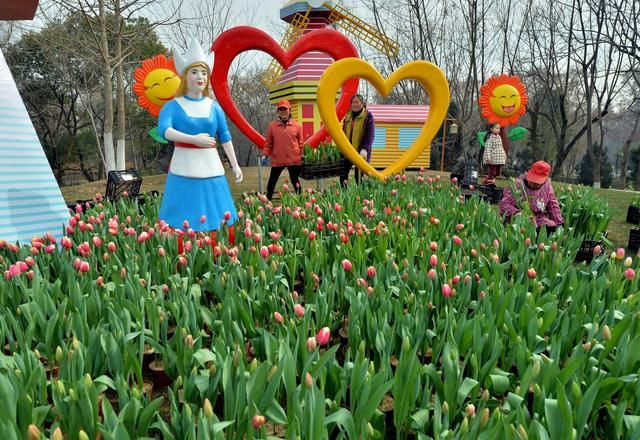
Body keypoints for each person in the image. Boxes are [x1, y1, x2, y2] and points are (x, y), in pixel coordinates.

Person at [157, 38, 243, 252]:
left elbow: (225, 136)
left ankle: (219, 247)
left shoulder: (214, 108)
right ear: (185, 76)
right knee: (182, 212)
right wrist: (193, 139)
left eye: (204, 73)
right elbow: (164, 130)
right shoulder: (172, 106)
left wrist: (235, 165)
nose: (200, 77)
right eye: (195, 72)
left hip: (212, 167)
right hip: (183, 166)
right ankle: (182, 250)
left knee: (218, 211)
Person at [500, 161, 564, 233]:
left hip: (538, 218)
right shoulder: (518, 185)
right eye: (531, 179)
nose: (532, 183)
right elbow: (504, 204)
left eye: (536, 183)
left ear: (544, 180)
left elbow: (553, 205)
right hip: (519, 218)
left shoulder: (547, 186)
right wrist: (519, 213)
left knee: (551, 226)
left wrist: (559, 223)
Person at [263, 99, 304, 200]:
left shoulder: (297, 126)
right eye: (280, 109)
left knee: (295, 180)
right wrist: (265, 154)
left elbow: (301, 143)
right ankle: (267, 201)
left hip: (293, 159)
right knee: (272, 181)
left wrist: (302, 155)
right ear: (278, 112)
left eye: (285, 109)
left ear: (289, 110)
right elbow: (268, 143)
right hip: (278, 159)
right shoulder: (272, 126)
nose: (283, 111)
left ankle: (301, 201)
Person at [340, 94, 375, 186]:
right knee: (343, 175)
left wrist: (365, 148)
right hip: (348, 151)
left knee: (358, 177)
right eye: (352, 102)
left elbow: (370, 134)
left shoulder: (368, 116)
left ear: (362, 104)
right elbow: (343, 132)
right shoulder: (348, 116)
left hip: (360, 152)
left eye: (356, 102)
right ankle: (344, 193)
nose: (354, 104)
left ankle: (359, 193)